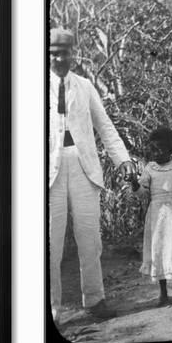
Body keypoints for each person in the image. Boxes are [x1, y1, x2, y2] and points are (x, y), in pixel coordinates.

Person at [49, 27, 135, 323]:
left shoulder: (84, 85)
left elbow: (105, 126)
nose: (59, 58)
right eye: (53, 53)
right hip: (48, 172)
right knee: (50, 243)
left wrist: (123, 160)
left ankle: (95, 300)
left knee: (90, 239)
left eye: (65, 52)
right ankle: (52, 311)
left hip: (85, 168)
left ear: (73, 53)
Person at [132, 127, 172, 308]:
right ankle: (162, 293)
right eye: (153, 150)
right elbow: (143, 194)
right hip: (156, 217)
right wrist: (135, 185)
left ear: (170, 149)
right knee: (159, 250)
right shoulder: (149, 169)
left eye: (160, 149)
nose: (156, 153)